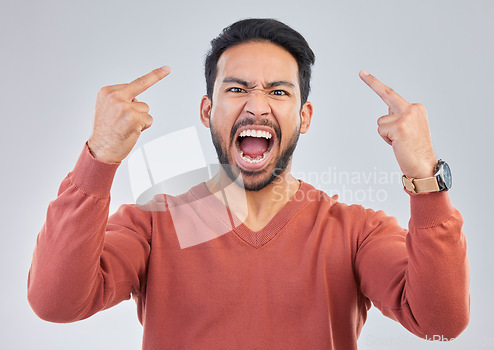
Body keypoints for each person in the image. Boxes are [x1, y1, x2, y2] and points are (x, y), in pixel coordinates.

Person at [28, 18, 470, 349]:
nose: (257, 107)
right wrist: (99, 157)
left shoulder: (355, 233)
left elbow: (441, 320)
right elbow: (56, 302)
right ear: (207, 111)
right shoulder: (153, 226)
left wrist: (426, 177)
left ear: (304, 117)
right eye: (237, 89)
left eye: (279, 92)